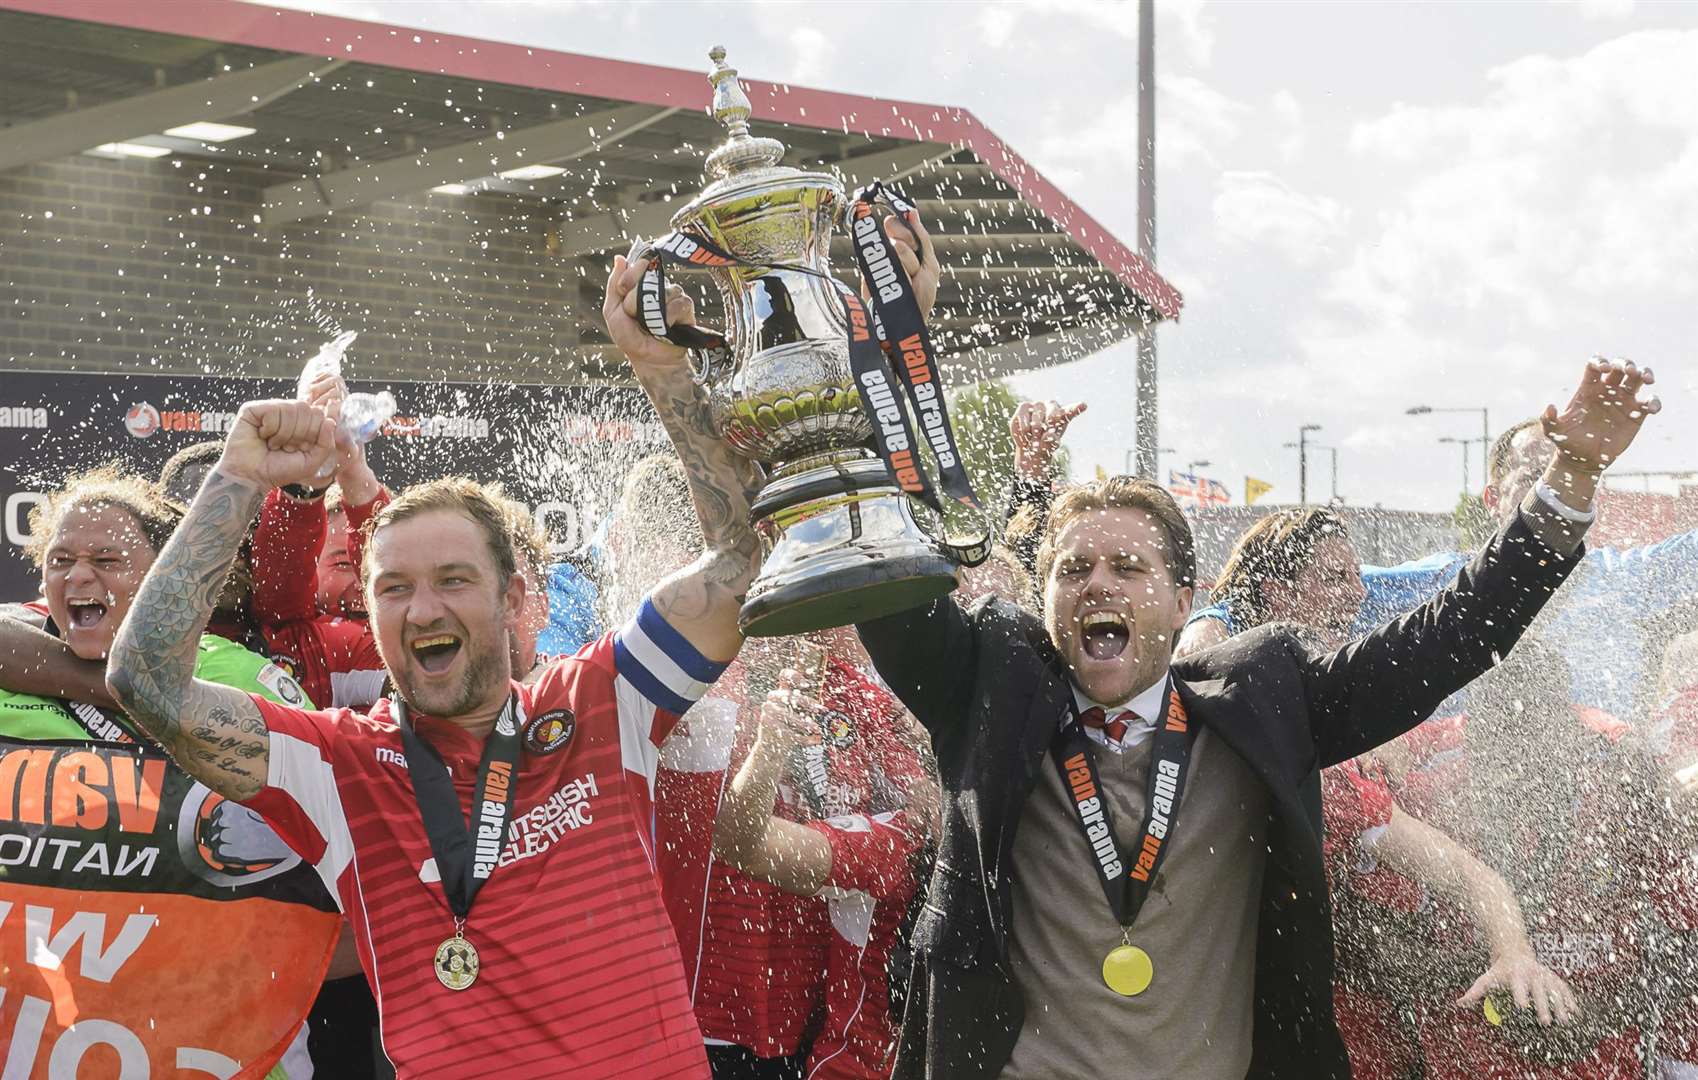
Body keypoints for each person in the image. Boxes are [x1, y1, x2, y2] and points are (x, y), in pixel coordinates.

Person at [855, 358, 1655, 1078]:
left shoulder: (1261, 700)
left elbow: (1452, 637)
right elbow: (885, 591)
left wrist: (1573, 476)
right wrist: (885, 348)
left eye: (1129, 567)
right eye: (1075, 569)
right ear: (1050, 599)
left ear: (1181, 602)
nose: (1098, 583)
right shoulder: (992, 694)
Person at [102, 252, 765, 1076]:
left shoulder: (597, 702)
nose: (423, 611)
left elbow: (742, 563)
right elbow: (146, 681)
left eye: (454, 581)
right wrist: (239, 476)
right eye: (394, 589)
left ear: (513, 596)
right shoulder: (339, 765)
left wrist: (662, 370)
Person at [1174, 505, 1578, 1076]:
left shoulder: (1359, 727)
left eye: (1358, 576)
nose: (1357, 594)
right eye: (1336, 578)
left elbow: (1442, 645)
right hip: (1296, 1024)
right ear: (1277, 593)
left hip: (1370, 1014)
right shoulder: (1261, 738)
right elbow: (1470, 875)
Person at [0, 465, 338, 1077]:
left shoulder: (240, 679)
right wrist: (120, 688)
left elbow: (354, 862)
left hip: (227, 1052)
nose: (79, 576)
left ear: (162, 573)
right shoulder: (15, 661)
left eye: (107, 558)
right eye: (60, 560)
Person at [657, 631, 938, 1080]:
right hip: (695, 1007)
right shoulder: (694, 681)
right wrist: (770, 749)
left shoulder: (862, 699)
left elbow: (926, 805)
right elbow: (735, 841)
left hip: (801, 1020)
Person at [1358, 407, 1698, 718]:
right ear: (1493, 499)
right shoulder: (1441, 584)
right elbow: (1322, 583)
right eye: (1534, 478)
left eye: (1570, 479)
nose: (1554, 493)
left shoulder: (1620, 579)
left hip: (1602, 775)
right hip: (1462, 778)